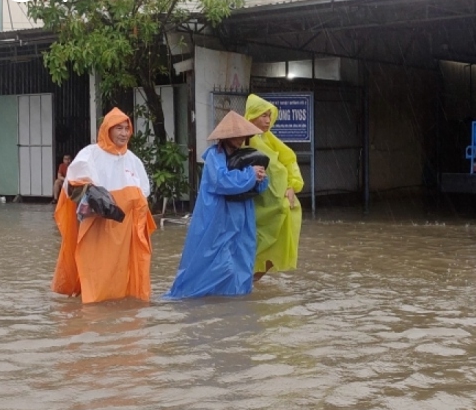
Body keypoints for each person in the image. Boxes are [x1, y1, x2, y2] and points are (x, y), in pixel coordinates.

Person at [51, 108, 156, 304]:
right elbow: (71, 185)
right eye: (119, 128)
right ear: (107, 130)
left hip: (125, 229)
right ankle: (94, 314)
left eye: (127, 128)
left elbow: (144, 193)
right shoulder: (90, 154)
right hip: (97, 227)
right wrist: (92, 192)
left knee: (124, 271)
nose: (124, 133)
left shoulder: (133, 160)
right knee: (96, 270)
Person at [165, 111, 269, 298]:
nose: (239, 139)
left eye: (242, 135)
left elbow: (259, 188)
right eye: (235, 135)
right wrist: (250, 175)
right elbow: (221, 181)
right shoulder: (215, 156)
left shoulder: (249, 156)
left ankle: (234, 302)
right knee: (215, 259)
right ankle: (199, 297)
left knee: (241, 258)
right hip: (218, 217)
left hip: (242, 218)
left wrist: (260, 178)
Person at [244, 94, 304, 282]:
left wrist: (292, 186)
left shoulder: (267, 137)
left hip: (280, 204)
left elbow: (288, 159)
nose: (268, 120)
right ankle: (245, 283)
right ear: (252, 116)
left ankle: (250, 283)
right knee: (255, 244)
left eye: (270, 115)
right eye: (263, 115)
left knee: (277, 245)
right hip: (259, 206)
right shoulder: (244, 139)